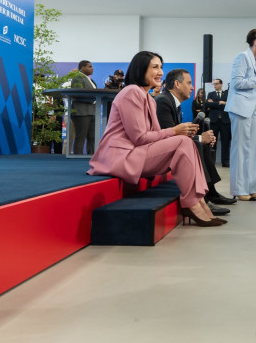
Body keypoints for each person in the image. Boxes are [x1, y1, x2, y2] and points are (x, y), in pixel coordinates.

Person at [88, 51, 224, 227]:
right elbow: (139, 137)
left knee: (186, 141)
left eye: (161, 67)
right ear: (141, 69)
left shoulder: (149, 99)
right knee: (183, 141)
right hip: (121, 156)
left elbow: (155, 137)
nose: (160, 72)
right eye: (155, 67)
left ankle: (199, 201)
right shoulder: (131, 92)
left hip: (136, 152)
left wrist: (181, 133)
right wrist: (174, 132)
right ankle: (192, 203)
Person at [155, 69, 237, 212]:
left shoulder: (171, 101)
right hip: (159, 151)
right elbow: (168, 136)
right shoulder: (163, 101)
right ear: (177, 84)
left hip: (169, 146)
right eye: (189, 83)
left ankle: (211, 193)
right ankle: (202, 198)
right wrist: (199, 137)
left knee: (202, 144)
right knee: (198, 143)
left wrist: (197, 136)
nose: (193, 87)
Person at [224, 28, 256, 201]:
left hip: (252, 109)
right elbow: (237, 83)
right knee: (240, 150)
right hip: (240, 109)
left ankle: (251, 187)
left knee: (252, 149)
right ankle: (238, 190)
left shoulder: (254, 59)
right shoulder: (242, 57)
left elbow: (251, 83)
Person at [70, 60, 97, 155]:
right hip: (81, 112)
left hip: (92, 111)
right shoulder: (78, 78)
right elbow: (77, 94)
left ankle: (92, 156)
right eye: (89, 66)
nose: (92, 68)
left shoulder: (91, 80)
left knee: (92, 138)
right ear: (82, 68)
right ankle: (77, 158)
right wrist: (94, 100)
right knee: (80, 137)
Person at [206, 78, 231, 167]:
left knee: (225, 142)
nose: (215, 85)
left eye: (216, 84)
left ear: (221, 84)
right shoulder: (210, 94)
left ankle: (225, 162)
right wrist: (220, 103)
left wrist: (215, 103)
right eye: (214, 84)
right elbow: (208, 104)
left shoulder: (227, 93)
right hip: (214, 121)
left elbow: (229, 104)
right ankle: (212, 161)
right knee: (212, 142)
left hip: (225, 121)